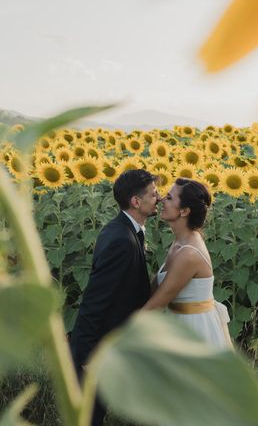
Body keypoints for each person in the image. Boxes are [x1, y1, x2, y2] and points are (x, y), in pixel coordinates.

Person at [69, 168, 160, 426]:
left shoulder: (125, 231)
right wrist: (85, 355)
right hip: (96, 350)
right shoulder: (122, 239)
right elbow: (95, 300)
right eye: (154, 194)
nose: (159, 198)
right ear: (136, 201)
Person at [142, 178, 233, 350]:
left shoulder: (189, 254)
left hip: (194, 331)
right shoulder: (181, 242)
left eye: (169, 198)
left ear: (184, 211)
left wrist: (118, 336)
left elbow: (157, 304)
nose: (161, 199)